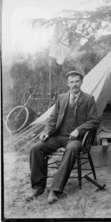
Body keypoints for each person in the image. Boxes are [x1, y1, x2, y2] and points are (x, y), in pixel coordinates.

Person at [25, 70, 98, 204]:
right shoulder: (62, 98)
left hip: (76, 140)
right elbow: (53, 118)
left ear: (82, 82)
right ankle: (38, 187)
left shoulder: (89, 99)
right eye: (72, 82)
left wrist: (79, 129)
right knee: (36, 149)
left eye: (77, 81)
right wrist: (47, 131)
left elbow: (94, 121)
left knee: (70, 149)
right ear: (67, 83)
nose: (74, 84)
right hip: (58, 136)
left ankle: (55, 190)